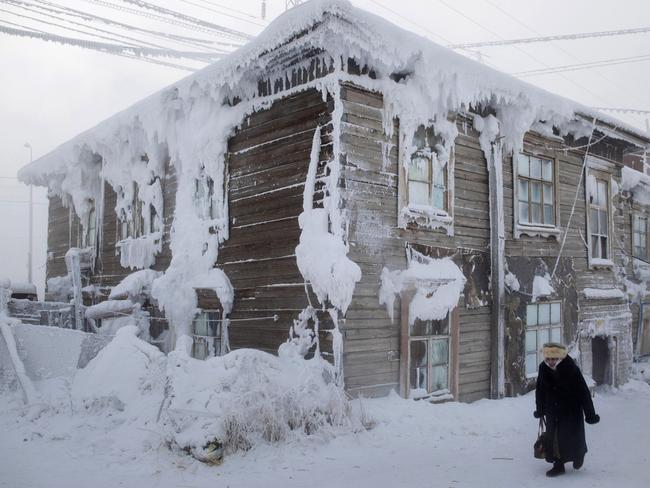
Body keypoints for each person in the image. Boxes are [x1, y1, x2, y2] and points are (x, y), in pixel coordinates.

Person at [534, 342, 600, 477]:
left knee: (572, 437)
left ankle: (579, 455)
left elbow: (583, 392)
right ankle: (558, 466)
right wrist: (540, 409)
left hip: (571, 410)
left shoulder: (571, 368)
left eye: (554, 359)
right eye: (548, 359)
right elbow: (540, 390)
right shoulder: (543, 368)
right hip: (552, 410)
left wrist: (590, 414)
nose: (551, 362)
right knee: (554, 440)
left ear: (560, 358)